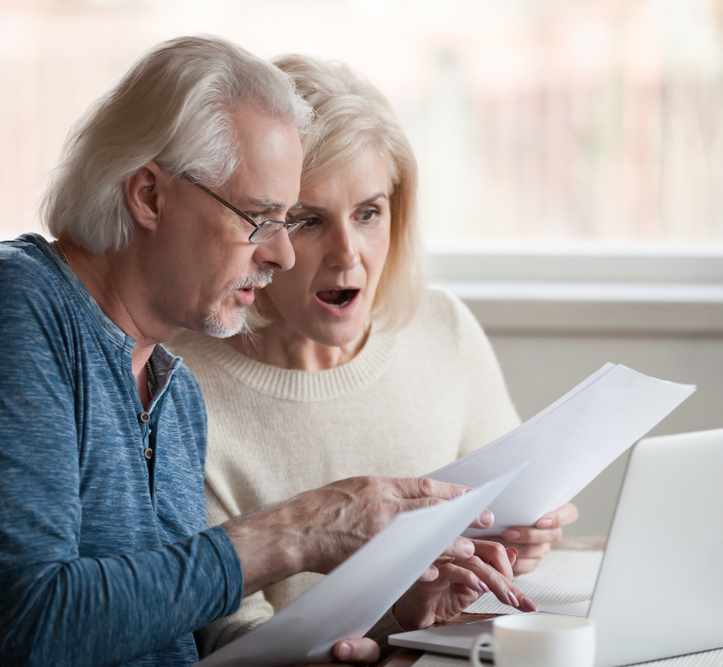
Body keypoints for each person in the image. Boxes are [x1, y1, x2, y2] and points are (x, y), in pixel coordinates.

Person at [0, 37, 507, 667]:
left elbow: (171, 642)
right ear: (149, 194)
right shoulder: (0, 310)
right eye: (259, 218)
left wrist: (393, 623)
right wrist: (294, 531)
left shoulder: (171, 390)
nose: (282, 252)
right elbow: (30, 631)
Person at [167, 54, 578, 655]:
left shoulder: (442, 328)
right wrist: (381, 632)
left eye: (368, 213)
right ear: (258, 225)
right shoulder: (180, 385)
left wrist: (527, 538)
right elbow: (229, 637)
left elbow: (501, 523)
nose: (347, 254)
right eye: (308, 220)